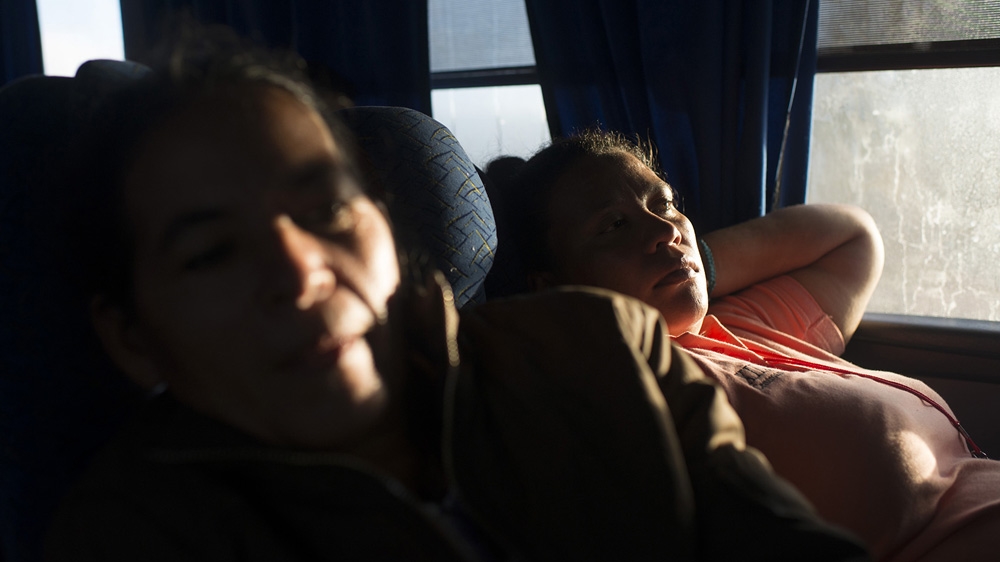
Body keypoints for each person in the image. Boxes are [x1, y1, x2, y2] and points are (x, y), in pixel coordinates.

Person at [39, 37, 872, 561]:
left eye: (326, 207)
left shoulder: (600, 346)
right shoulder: (132, 534)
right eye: (214, 250)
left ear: (384, 222)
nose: (302, 274)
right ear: (130, 336)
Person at [490, 129, 1000, 561]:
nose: (664, 230)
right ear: (550, 287)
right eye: (614, 225)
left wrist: (693, 266)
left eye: (663, 204)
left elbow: (852, 236)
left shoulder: (738, 326)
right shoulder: (634, 392)